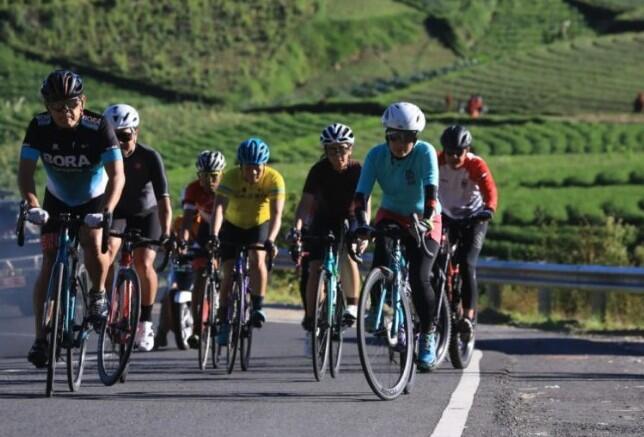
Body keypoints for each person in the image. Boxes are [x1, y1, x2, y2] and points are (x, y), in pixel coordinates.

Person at [18, 70, 124, 368]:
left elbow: (118, 175)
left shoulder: (98, 126)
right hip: (57, 197)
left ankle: (98, 293)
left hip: (94, 196)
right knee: (50, 259)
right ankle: (41, 338)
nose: (65, 112)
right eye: (56, 106)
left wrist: (106, 211)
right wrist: (32, 204)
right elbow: (25, 173)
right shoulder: (38, 126)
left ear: (83, 102)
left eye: (71, 105)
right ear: (47, 106)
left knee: (92, 240)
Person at [352, 102, 442, 372]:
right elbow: (361, 195)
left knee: (419, 275)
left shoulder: (425, 153)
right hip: (391, 213)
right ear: (386, 135)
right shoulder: (376, 156)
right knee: (381, 257)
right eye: (395, 137)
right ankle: (379, 308)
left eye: (408, 138)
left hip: (424, 218)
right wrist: (361, 225)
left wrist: (426, 221)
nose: (401, 144)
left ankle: (427, 335)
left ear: (416, 138)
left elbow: (431, 191)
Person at [291, 123, 368, 353]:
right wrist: (297, 228)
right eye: (332, 150)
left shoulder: (358, 170)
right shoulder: (318, 170)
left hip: (351, 216)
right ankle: (313, 323)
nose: (337, 155)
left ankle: (352, 307)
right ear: (325, 151)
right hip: (323, 219)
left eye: (342, 149)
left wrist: (363, 229)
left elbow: (365, 203)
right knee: (314, 268)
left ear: (350, 149)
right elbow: (305, 206)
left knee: (349, 255)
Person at [103, 103, 172, 352]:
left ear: (136, 133)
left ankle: (144, 322)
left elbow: (164, 200)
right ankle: (103, 300)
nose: (120, 143)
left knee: (143, 263)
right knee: (108, 251)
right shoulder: (103, 157)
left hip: (147, 214)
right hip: (117, 212)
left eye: (125, 136)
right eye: (113, 137)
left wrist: (166, 233)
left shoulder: (149, 157)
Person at [212, 137, 285, 345]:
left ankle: (257, 306)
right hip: (233, 225)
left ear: (264, 165)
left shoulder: (274, 179)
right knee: (227, 272)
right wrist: (215, 235)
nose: (252, 173)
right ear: (240, 166)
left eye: (257, 168)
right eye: (247, 168)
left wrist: (271, 240)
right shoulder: (230, 177)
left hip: (258, 225)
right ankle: (225, 318)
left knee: (257, 258)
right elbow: (218, 209)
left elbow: (277, 214)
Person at [438, 125, 497, 340]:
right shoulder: (436, 162)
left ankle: (468, 317)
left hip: (474, 218)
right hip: (446, 217)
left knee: (467, 262)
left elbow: (490, 189)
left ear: (467, 149)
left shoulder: (475, 164)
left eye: (458, 152)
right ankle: (441, 302)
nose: (453, 157)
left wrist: (488, 208)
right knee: (437, 258)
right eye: (449, 152)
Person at [180, 150, 227, 348]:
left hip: (229, 229)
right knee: (200, 275)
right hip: (206, 231)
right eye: (204, 176)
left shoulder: (228, 188)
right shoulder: (192, 189)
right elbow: (187, 219)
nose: (209, 181)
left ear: (222, 174)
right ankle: (198, 330)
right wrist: (183, 242)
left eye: (214, 176)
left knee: (229, 270)